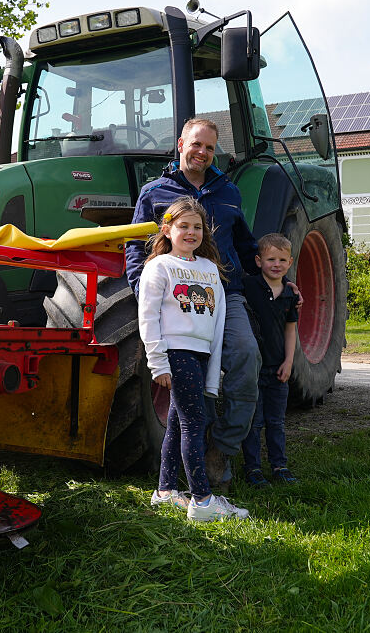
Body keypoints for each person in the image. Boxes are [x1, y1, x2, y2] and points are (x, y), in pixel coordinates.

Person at [126, 117, 266, 488]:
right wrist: (146, 296)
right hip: (177, 299)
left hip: (225, 293)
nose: (202, 152)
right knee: (193, 373)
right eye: (196, 144)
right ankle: (189, 460)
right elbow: (135, 248)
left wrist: (280, 282)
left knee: (246, 357)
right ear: (180, 144)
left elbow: (247, 246)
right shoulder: (154, 192)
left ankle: (221, 448)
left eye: (209, 147)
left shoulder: (229, 192)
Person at [139, 198, 248, 522]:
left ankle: (165, 491)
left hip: (200, 355)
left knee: (177, 421)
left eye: (197, 227)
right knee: (194, 424)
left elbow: (217, 320)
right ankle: (202, 500)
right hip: (176, 353)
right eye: (183, 226)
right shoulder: (159, 266)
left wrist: (213, 370)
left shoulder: (209, 269)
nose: (190, 232)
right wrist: (158, 362)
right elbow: (148, 316)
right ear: (167, 229)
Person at [240, 233, 300, 487]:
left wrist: (289, 362)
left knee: (276, 421)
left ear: (290, 262)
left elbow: (290, 329)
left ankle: (279, 466)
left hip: (278, 369)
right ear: (258, 260)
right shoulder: (250, 286)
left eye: (282, 260)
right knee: (254, 422)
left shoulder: (290, 295)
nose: (276, 264)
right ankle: (253, 468)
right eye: (270, 259)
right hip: (254, 368)